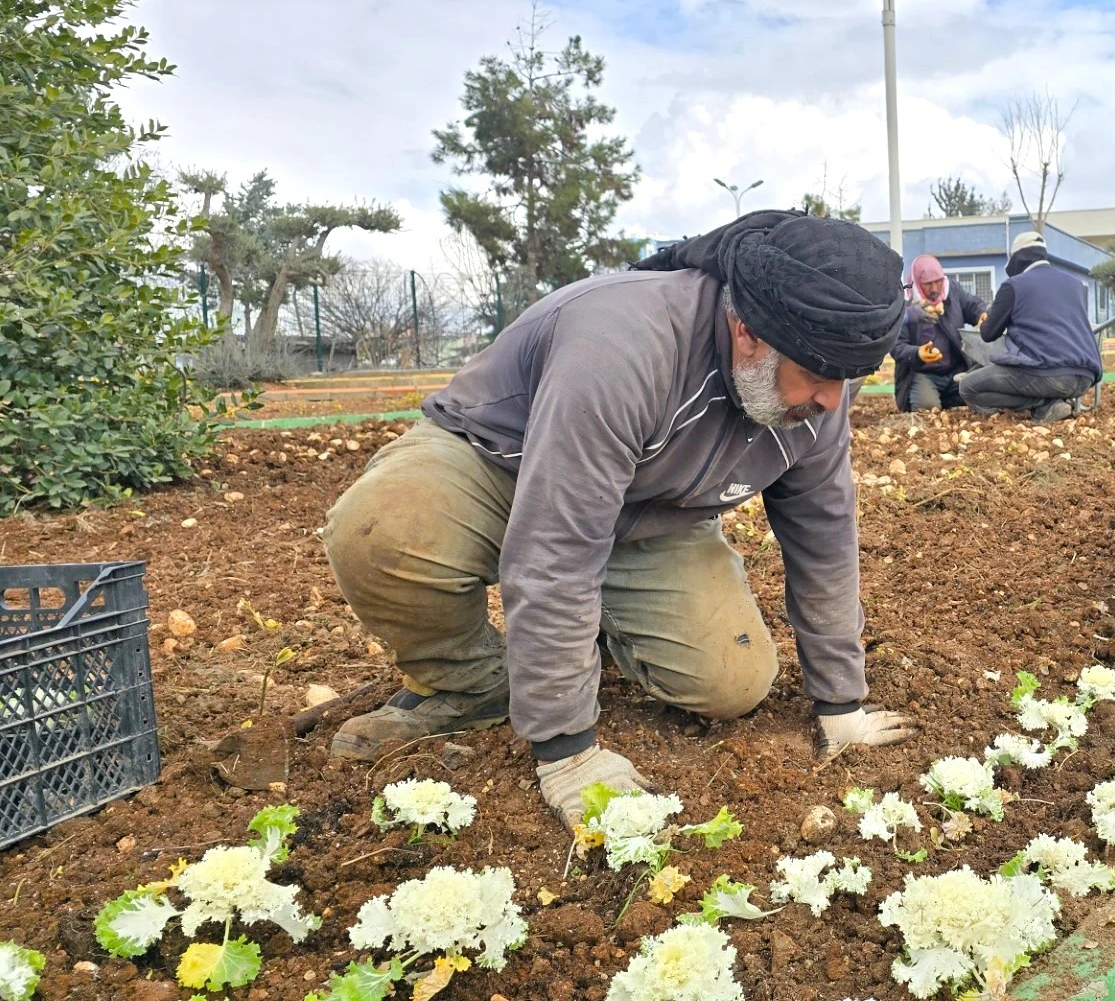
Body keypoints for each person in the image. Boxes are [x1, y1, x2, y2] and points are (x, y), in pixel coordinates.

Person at [321, 209, 917, 828]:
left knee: (731, 682)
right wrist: (567, 752)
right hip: (506, 467)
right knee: (384, 530)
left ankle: (591, 636)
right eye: (818, 377)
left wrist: (841, 701)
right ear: (748, 334)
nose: (831, 400)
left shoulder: (816, 392)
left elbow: (824, 537)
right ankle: (471, 681)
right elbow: (556, 546)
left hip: (650, 512)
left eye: (848, 380)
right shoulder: (623, 347)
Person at [957, 231, 1103, 423]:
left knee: (967, 387)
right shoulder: (1075, 284)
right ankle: (1054, 401)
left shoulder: (1014, 286)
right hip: (1086, 377)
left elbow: (988, 333)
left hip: (1049, 375)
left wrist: (989, 317)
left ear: (1016, 260)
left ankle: (1043, 404)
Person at [891, 254, 987, 412]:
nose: (935, 289)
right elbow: (896, 346)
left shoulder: (953, 292)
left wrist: (981, 314)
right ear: (917, 284)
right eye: (928, 284)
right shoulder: (906, 307)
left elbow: (972, 305)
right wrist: (917, 354)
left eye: (938, 282)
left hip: (956, 370)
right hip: (923, 373)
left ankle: (949, 398)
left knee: (982, 398)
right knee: (927, 409)